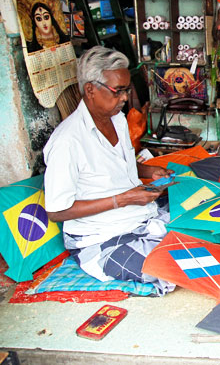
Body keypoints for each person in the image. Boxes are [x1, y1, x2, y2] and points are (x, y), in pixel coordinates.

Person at [44, 46, 174, 294]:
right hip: (102, 237)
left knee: (203, 224)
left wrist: (147, 172)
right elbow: (57, 211)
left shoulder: (117, 120)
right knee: (171, 268)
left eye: (127, 90)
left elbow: (118, 165)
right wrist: (123, 199)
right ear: (90, 90)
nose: (125, 98)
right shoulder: (67, 141)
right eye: (118, 91)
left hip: (140, 216)